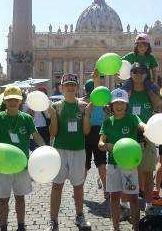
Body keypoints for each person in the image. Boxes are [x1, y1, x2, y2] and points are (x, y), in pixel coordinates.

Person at [0, 85, 46, 231]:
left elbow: (36, 136)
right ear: (5, 101)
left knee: (20, 198)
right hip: (2, 166)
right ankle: (3, 226)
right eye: (9, 99)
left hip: (22, 165)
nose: (12, 102)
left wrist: (45, 148)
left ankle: (21, 226)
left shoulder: (27, 118)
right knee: (3, 200)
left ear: (20, 101)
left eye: (15, 100)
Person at [48, 73, 92, 231]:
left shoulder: (82, 106)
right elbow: (53, 133)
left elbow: (86, 131)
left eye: (72, 85)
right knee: (56, 186)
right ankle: (53, 220)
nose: (70, 87)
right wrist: (53, 117)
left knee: (78, 186)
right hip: (60, 150)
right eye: (67, 85)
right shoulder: (56, 106)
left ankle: (80, 216)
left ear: (77, 87)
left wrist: (87, 115)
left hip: (78, 150)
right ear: (62, 87)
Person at [98, 88, 146, 231]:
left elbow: (141, 125)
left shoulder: (132, 118)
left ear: (126, 105)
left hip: (129, 166)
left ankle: (136, 227)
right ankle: (116, 227)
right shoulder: (107, 123)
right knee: (114, 197)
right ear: (112, 106)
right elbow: (100, 143)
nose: (119, 106)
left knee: (133, 197)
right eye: (116, 103)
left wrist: (148, 127)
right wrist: (105, 145)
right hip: (113, 165)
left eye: (122, 103)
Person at [127, 62, 158, 212]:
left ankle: (149, 204)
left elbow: (159, 107)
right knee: (129, 171)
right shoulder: (127, 92)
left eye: (141, 71)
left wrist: (150, 91)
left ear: (146, 74)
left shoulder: (150, 92)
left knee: (148, 172)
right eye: (135, 71)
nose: (138, 74)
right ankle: (127, 204)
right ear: (131, 74)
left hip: (148, 135)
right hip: (129, 136)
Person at [81, 71, 108, 199]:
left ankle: (79, 189)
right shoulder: (102, 102)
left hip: (86, 133)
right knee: (101, 162)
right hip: (99, 132)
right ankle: (106, 189)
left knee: (85, 165)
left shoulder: (81, 102)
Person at [121, 33, 162, 112]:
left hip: (146, 80)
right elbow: (120, 64)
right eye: (140, 46)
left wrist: (154, 82)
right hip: (132, 79)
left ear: (148, 47)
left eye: (145, 46)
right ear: (136, 46)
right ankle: (124, 107)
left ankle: (157, 108)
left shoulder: (150, 57)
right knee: (124, 89)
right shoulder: (131, 56)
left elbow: (154, 70)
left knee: (155, 90)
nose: (142, 48)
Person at [23, 85, 51, 150]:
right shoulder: (29, 103)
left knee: (44, 147)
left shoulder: (48, 103)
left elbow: (49, 116)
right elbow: (25, 114)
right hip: (33, 128)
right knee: (34, 148)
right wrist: (30, 111)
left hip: (44, 128)